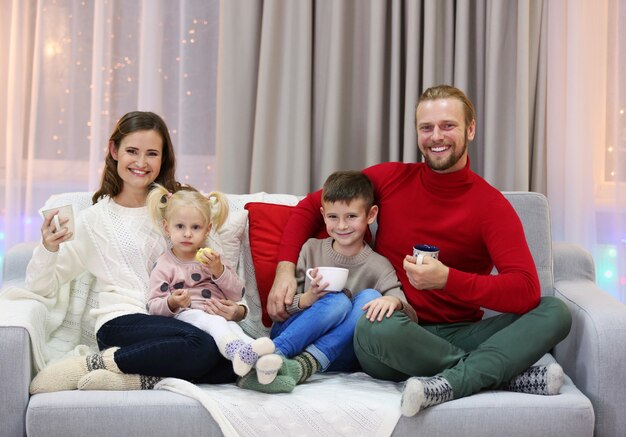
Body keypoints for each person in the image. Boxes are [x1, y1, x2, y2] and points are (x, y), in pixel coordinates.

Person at [267, 85, 572, 414]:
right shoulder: (391, 179)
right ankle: (490, 374)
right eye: (426, 128)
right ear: (417, 133)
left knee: (555, 312)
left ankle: (454, 380)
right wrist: (285, 269)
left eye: (448, 125)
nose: (436, 136)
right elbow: (310, 207)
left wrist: (447, 280)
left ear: (470, 129)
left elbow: (525, 290)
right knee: (369, 324)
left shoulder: (491, 206)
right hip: (394, 332)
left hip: (461, 333)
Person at [27, 111, 247, 393]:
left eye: (152, 154)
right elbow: (40, 285)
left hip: (180, 321)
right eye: (132, 151)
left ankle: (134, 379)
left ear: (163, 158)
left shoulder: (182, 207)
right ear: (114, 150)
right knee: (202, 346)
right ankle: (95, 364)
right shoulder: (94, 221)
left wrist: (239, 311)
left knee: (235, 360)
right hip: (122, 322)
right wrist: (49, 247)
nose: (141, 163)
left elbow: (221, 272)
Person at [238, 170, 417, 394]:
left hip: (339, 352)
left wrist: (394, 302)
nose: (341, 226)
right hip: (293, 336)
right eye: (333, 217)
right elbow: (280, 311)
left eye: (351, 216)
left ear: (371, 215)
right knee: (338, 301)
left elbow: (410, 316)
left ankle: (292, 367)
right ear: (322, 214)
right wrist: (307, 298)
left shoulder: (379, 266)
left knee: (371, 297)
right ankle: (275, 353)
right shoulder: (310, 249)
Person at [145, 183, 282, 382]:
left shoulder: (213, 259)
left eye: (196, 227)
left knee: (235, 329)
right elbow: (153, 305)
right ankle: (238, 353)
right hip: (188, 317)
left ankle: (264, 363)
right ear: (167, 227)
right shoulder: (165, 264)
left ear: (207, 229)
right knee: (215, 322)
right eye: (180, 226)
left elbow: (237, 294)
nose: (187, 234)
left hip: (219, 315)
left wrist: (219, 271)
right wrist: (173, 302)